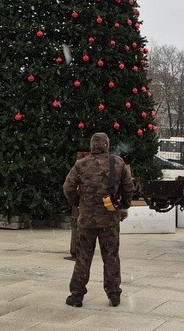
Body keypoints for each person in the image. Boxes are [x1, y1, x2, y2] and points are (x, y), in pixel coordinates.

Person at [63, 132, 134, 308]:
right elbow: (128, 188)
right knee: (111, 257)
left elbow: (68, 187)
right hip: (109, 220)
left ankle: (76, 296)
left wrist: (78, 203)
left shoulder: (81, 164)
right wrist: (123, 206)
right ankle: (114, 294)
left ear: (92, 146)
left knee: (83, 257)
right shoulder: (117, 163)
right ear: (107, 145)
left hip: (86, 220)